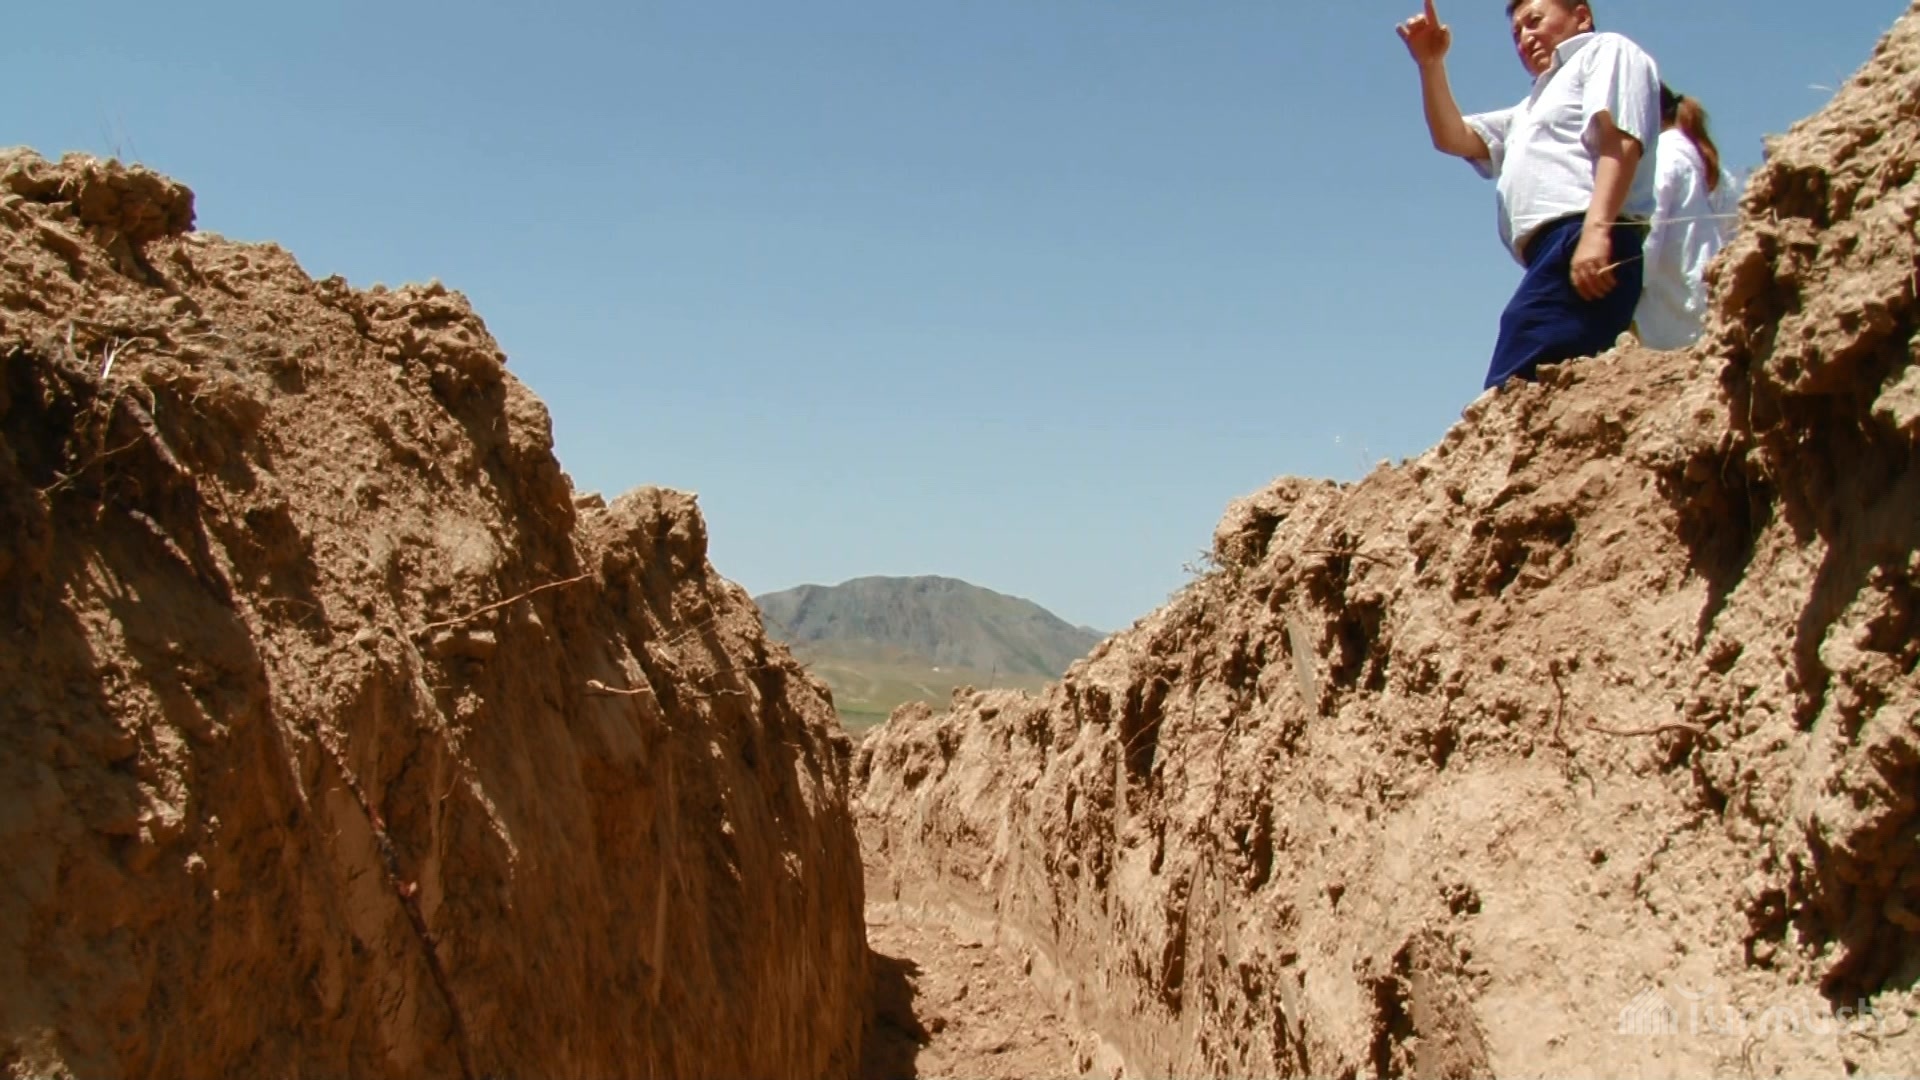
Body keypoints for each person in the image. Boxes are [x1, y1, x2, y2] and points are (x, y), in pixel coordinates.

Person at [1397, 0, 1663, 389]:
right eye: (1517, 33)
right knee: (1537, 373)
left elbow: (1619, 140)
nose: (1525, 38)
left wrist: (1597, 231)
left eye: (1534, 21)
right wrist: (1430, 65)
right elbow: (1453, 137)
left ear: (1581, 16)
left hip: (1585, 235)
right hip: (1553, 251)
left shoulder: (1605, 50)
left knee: (1519, 378)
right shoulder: (1529, 108)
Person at [1634, 84, 1739, 349]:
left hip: (1670, 319)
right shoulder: (1718, 174)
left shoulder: (1659, 159)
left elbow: (1647, 240)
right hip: (1709, 309)